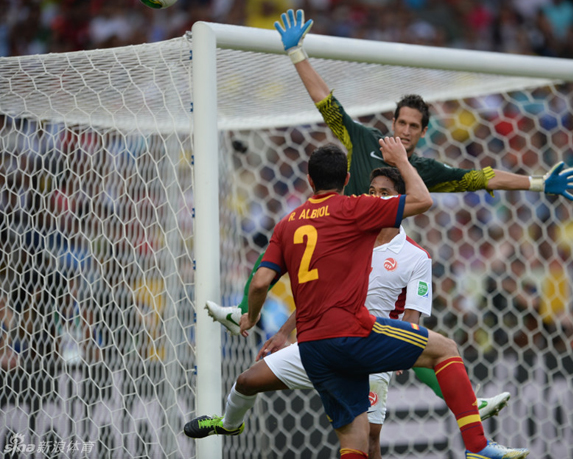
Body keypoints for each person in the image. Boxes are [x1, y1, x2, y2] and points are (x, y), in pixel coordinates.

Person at [231, 7, 573, 405]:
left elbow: (482, 177)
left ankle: (467, 403)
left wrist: (538, 183)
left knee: (402, 337)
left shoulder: (422, 169)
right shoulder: (362, 140)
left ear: (422, 132)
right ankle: (243, 314)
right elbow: (324, 102)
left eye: (414, 126)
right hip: (339, 251)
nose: (405, 131)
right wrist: (296, 52)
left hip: (378, 259)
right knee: (281, 253)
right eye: (401, 123)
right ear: (393, 121)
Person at [187, 140, 528, 459]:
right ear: (348, 179)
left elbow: (260, 282)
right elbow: (423, 200)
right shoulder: (354, 210)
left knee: (353, 439)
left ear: (309, 180)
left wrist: (250, 317)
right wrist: (401, 161)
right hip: (353, 336)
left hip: (314, 348)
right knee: (446, 349)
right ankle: (477, 446)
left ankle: (229, 423)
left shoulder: (287, 223)